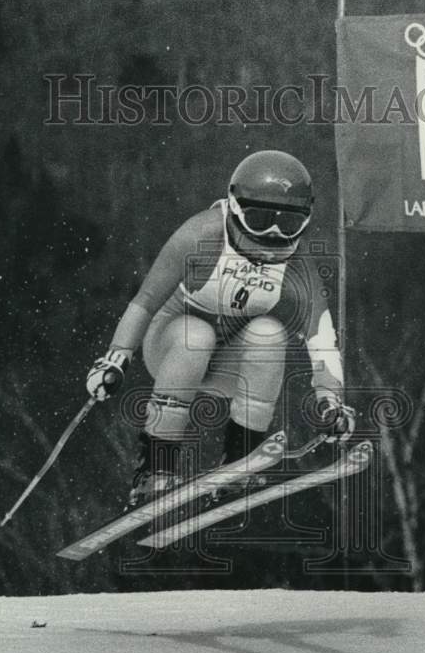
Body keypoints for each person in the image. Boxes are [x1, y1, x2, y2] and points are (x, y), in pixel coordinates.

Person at [85, 150, 355, 508]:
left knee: (269, 335)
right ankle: (156, 470)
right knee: (195, 335)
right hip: (171, 349)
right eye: (259, 220)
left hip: (231, 364)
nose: (272, 236)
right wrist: (115, 360)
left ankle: (240, 463)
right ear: (235, 208)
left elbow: (321, 337)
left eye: (287, 225)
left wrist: (330, 400)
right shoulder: (202, 234)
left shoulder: (298, 264)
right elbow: (145, 301)